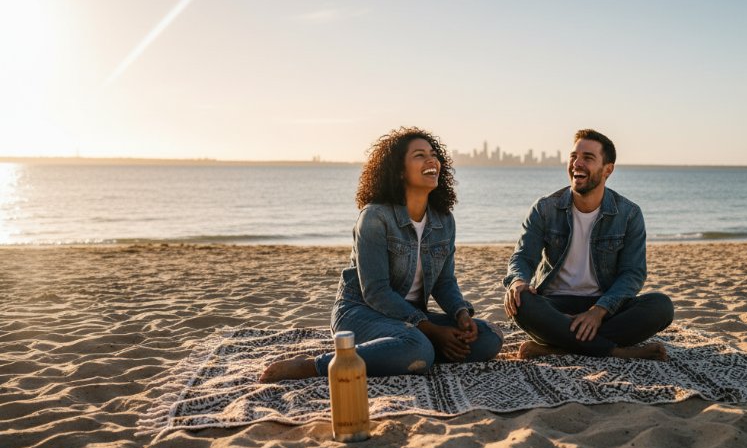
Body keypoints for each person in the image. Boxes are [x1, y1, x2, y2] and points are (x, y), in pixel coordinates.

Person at [261, 127, 503, 382]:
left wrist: (460, 313)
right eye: (419, 155)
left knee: (489, 337)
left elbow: (445, 282)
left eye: (433, 154)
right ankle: (317, 366)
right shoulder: (375, 217)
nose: (432, 160)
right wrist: (430, 330)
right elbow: (376, 291)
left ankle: (407, 352)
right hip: (359, 312)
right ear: (399, 171)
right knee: (418, 347)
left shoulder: (444, 220)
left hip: (411, 319)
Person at [503, 129, 673, 361]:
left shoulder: (629, 214)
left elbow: (633, 274)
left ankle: (558, 346)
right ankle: (614, 351)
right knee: (522, 303)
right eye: (574, 156)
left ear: (607, 170)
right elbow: (523, 257)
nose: (577, 163)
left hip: (604, 305)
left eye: (588, 158)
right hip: (554, 305)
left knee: (661, 307)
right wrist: (518, 281)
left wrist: (598, 311)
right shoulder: (545, 208)